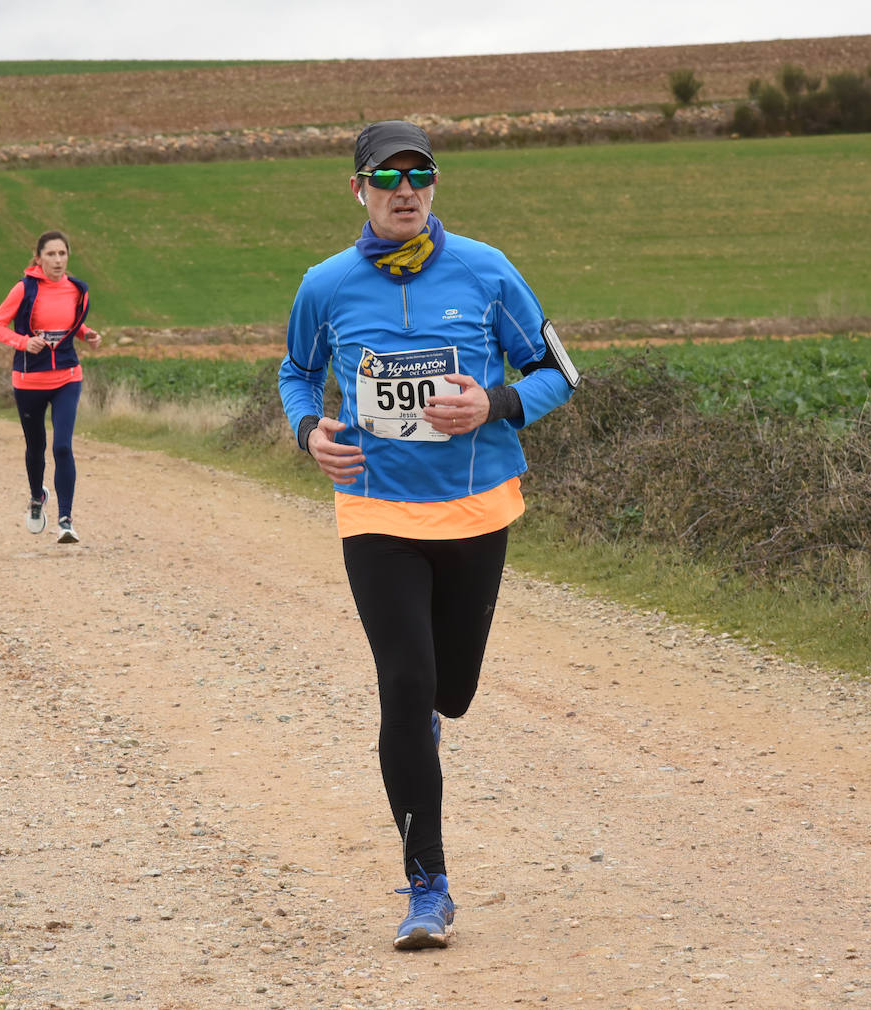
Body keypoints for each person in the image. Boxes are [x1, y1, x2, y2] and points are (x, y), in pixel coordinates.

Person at [277, 120, 578, 952]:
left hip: (478, 507)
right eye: (386, 178)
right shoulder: (325, 284)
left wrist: (497, 404)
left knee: (452, 693)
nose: (403, 190)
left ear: (435, 185)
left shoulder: (487, 271)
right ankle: (427, 886)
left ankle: (433, 721)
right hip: (374, 511)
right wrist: (309, 430)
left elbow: (559, 370)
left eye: (419, 175)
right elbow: (297, 371)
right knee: (406, 687)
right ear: (359, 191)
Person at [0, 230, 101, 544]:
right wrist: (23, 342)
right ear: (38, 258)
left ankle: (66, 520)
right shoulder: (24, 288)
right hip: (28, 380)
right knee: (35, 447)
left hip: (67, 376)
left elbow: (70, 324)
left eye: (62, 254)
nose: (57, 260)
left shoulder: (77, 290)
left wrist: (87, 334)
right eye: (50, 254)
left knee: (62, 446)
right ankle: (37, 497)